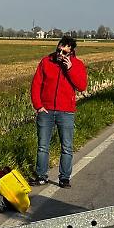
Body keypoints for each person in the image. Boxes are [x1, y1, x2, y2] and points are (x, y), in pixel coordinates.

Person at [30, 36, 87, 188]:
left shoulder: (78, 65)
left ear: (71, 52)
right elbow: (36, 84)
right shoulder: (46, 62)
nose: (60, 54)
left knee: (66, 147)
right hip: (46, 111)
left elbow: (81, 86)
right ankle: (41, 176)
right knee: (43, 146)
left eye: (64, 52)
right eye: (59, 50)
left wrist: (70, 69)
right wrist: (38, 105)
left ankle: (64, 178)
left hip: (66, 112)